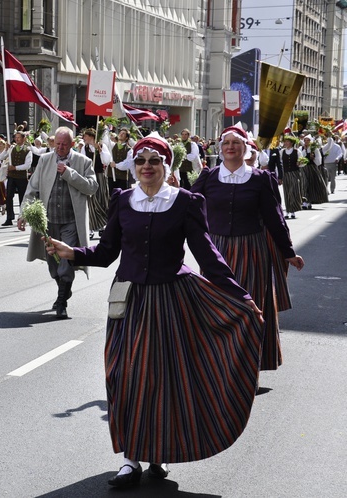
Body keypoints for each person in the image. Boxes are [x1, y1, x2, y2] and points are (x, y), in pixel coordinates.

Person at [46, 132, 265, 487]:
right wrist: (72, 252)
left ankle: (158, 453)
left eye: (155, 161)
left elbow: (209, 257)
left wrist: (241, 297)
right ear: (134, 165)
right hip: (129, 301)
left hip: (171, 302)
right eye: (141, 160)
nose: (147, 167)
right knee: (124, 376)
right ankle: (131, 459)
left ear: (167, 166)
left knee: (163, 380)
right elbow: (106, 252)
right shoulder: (122, 200)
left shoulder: (186, 202)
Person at [191, 126, 305, 372]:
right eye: (226, 143)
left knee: (248, 306)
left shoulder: (260, 179)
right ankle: (217, 363)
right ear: (220, 149)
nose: (230, 146)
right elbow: (186, 207)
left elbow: (275, 219)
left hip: (251, 250)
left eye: (236, 143)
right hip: (216, 251)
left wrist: (288, 252)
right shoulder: (209, 177)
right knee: (217, 306)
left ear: (246, 148)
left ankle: (247, 366)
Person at [17, 127, 98, 318]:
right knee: (53, 265)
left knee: (66, 260)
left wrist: (70, 174)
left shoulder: (83, 162)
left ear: (71, 144)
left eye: (64, 145)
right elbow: (31, 190)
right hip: (48, 221)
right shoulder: (45, 160)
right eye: (58, 144)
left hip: (71, 221)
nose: (60, 148)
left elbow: (92, 187)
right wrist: (23, 214)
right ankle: (64, 288)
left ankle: (61, 302)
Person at [81, 127, 112, 237]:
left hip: (99, 176)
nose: (83, 138)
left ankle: (103, 224)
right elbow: (82, 161)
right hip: (90, 176)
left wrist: (99, 149)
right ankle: (91, 227)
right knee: (91, 200)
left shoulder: (102, 146)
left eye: (85, 136)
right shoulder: (85, 148)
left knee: (101, 200)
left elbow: (107, 160)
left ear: (91, 137)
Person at [1, 130, 32, 226]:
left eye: (19, 137)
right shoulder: (11, 148)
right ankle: (9, 218)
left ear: (24, 139)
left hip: (22, 178)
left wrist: (15, 168)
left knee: (22, 198)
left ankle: (23, 217)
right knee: (9, 197)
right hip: (11, 177)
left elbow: (27, 165)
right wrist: (6, 149)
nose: (17, 139)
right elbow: (1, 156)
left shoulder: (28, 151)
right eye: (16, 137)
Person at [279, 135, 304, 219]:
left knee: (293, 191)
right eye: (285, 141)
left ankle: (292, 210)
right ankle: (288, 210)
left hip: (294, 173)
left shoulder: (297, 151)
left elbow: (302, 161)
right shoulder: (282, 152)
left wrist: (299, 163)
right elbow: (280, 164)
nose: (285, 143)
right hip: (286, 174)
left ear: (291, 143)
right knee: (286, 192)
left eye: (287, 141)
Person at [300, 135, 329, 205]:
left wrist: (313, 158)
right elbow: (299, 157)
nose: (306, 142)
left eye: (308, 140)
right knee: (304, 183)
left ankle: (310, 200)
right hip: (303, 169)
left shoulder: (314, 149)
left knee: (312, 184)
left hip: (312, 168)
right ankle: (304, 200)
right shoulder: (301, 149)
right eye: (305, 140)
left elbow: (319, 161)